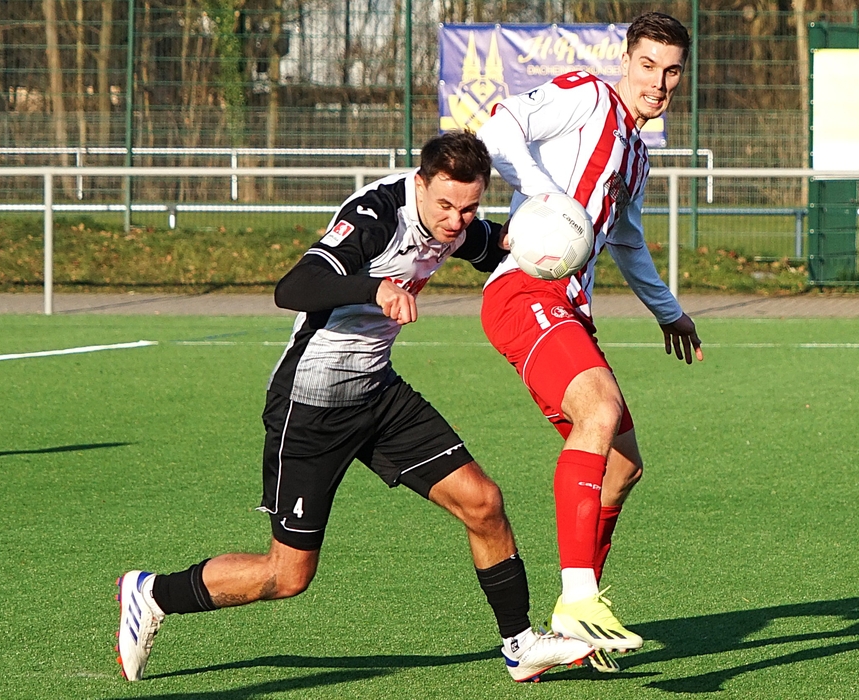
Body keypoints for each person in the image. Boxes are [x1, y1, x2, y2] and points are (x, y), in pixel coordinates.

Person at [115, 130, 595, 684]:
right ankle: (152, 594)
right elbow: (295, 287)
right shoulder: (375, 215)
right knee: (288, 575)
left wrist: (539, 240)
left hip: (378, 393)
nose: (456, 221)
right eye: (445, 205)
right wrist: (375, 288)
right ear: (421, 184)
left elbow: (491, 244)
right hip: (312, 403)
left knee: (482, 502)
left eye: (468, 208)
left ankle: (520, 644)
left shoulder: (457, 222)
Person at [476, 12, 703, 672]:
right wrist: (545, 195)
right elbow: (498, 127)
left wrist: (669, 313)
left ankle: (571, 630)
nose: (658, 82)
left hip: (570, 311)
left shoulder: (637, 154)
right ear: (625, 60)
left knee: (624, 467)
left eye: (672, 71)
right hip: (524, 291)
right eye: (648, 65)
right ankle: (579, 598)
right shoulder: (587, 96)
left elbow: (627, 240)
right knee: (597, 411)